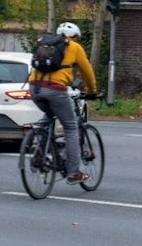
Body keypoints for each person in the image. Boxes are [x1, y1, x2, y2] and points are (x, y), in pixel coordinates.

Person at [29, 21, 98, 183]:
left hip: (34, 88)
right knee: (71, 127)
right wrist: (92, 91)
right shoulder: (74, 47)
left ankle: (39, 149)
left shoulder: (45, 43)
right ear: (74, 36)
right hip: (55, 90)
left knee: (50, 115)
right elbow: (87, 71)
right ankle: (74, 173)